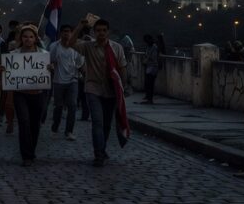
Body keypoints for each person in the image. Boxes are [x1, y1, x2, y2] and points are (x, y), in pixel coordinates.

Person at [64, 18, 128, 166]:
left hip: (111, 90)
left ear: (108, 32)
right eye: (98, 30)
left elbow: (122, 68)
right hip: (93, 88)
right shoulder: (88, 46)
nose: (101, 33)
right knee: (97, 122)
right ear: (94, 32)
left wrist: (122, 87)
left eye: (104, 30)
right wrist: (80, 26)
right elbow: (70, 43)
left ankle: (102, 147)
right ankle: (98, 153)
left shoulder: (116, 48)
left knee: (106, 124)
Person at [10, 25, 48, 166]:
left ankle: (31, 150)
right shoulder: (14, 54)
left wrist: (50, 69)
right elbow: (8, 73)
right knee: (24, 122)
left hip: (38, 94)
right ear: (21, 38)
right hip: (20, 94)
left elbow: (48, 74)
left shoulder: (43, 55)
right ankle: (26, 155)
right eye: (25, 36)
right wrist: (3, 69)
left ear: (35, 39)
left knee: (34, 125)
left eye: (31, 36)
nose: (28, 39)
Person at [48, 25, 84, 139]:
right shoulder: (54, 46)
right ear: (60, 33)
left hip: (73, 80)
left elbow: (80, 63)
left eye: (68, 32)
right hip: (58, 81)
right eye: (64, 32)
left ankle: (69, 131)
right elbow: (50, 60)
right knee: (58, 106)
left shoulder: (77, 47)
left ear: (72, 33)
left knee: (72, 106)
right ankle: (55, 127)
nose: (66, 34)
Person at [140, 33, 160, 104]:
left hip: (153, 67)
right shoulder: (149, 47)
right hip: (149, 67)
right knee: (148, 84)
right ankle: (148, 98)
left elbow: (153, 58)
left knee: (150, 84)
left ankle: (150, 99)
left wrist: (147, 60)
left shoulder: (154, 47)